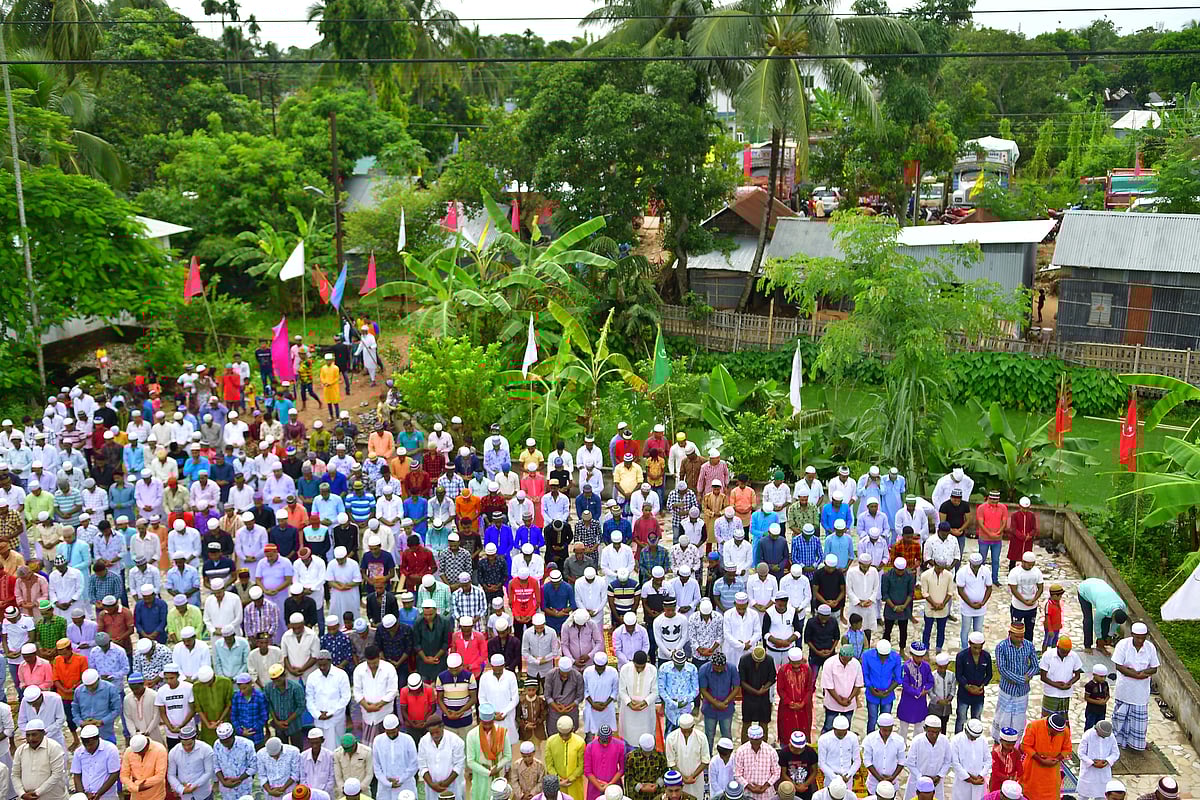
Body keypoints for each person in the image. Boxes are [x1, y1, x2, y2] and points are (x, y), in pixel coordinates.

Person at [1111, 621, 1158, 751]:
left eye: (1143, 638)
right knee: (1120, 718)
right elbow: (1118, 666)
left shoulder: (1150, 647)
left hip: (1140, 692)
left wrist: (1142, 674)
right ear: (1132, 635)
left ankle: (1135, 745)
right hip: (1125, 689)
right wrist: (1135, 675)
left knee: (1139, 721)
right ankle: (1118, 742)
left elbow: (1154, 668)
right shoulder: (1123, 645)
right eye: (1137, 637)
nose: (1140, 640)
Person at [992, 623, 1038, 741]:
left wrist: (1029, 675)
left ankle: (1016, 743)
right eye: (1017, 636)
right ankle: (1000, 741)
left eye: (1021, 636)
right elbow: (1002, 669)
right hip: (1007, 689)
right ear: (1010, 634)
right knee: (1003, 717)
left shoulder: (1029, 646)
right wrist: (1021, 679)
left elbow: (1035, 666)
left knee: (1019, 718)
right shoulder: (1001, 647)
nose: (1019, 639)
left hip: (1022, 692)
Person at [1019, 713, 1070, 800]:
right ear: (1047, 725)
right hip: (1033, 769)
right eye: (1053, 733)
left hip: (1052, 770)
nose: (1055, 735)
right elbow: (1025, 746)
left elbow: (1067, 749)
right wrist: (1041, 760)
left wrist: (1057, 759)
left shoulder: (1065, 730)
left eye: (1058, 733)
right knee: (1030, 794)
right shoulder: (1034, 726)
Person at [467, 706, 513, 800]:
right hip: (480, 777)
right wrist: (488, 772)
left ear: (493, 719)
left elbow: (508, 756)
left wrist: (497, 767)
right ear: (480, 720)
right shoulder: (472, 735)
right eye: (485, 724)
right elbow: (470, 761)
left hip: (498, 774)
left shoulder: (502, 732)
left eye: (490, 723)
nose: (487, 727)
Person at [373, 714, 420, 800]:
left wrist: (400, 779)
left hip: (405, 783)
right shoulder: (378, 741)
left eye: (393, 731)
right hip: (385, 786)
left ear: (398, 727)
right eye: (388, 732)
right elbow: (376, 766)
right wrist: (387, 783)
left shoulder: (408, 740)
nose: (391, 734)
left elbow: (414, 764)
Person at [1076, 579, 1127, 655]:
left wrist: (1110, 635)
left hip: (1099, 588)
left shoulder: (1122, 607)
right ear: (1113, 615)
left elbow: (1115, 623)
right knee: (1088, 620)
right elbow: (1097, 624)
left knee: (1106, 621)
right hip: (1084, 589)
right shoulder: (1102, 610)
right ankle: (1087, 646)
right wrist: (1099, 637)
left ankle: (1100, 646)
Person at [903, 717, 950, 800]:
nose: (934, 735)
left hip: (936, 782)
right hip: (917, 781)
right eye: (931, 732)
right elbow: (910, 762)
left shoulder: (944, 741)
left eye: (936, 732)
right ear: (925, 729)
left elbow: (947, 761)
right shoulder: (917, 741)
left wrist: (939, 776)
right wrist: (920, 777)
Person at [776, 648, 814, 745]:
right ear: (789, 659)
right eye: (794, 663)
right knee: (786, 730)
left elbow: (810, 689)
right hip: (787, 707)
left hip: (804, 707)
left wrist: (803, 703)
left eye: (798, 663)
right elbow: (780, 689)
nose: (796, 666)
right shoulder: (783, 670)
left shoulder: (807, 670)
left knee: (804, 729)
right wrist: (790, 702)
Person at [862, 715, 905, 797]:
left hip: (892, 783)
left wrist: (892, 777)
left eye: (890, 730)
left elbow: (902, 761)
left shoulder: (899, 740)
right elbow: (867, 761)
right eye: (884, 730)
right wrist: (879, 778)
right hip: (874, 783)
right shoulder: (870, 739)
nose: (887, 733)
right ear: (879, 726)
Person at [733, 724, 779, 800]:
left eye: (757, 739)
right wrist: (751, 788)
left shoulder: (771, 751)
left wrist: (765, 786)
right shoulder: (741, 751)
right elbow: (737, 774)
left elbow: (776, 773)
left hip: (767, 794)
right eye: (753, 739)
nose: (755, 742)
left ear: (762, 737)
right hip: (747, 794)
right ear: (748, 737)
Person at [545, 716, 586, 800]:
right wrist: (558, 780)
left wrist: (570, 779)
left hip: (574, 783)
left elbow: (581, 765)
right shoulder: (550, 741)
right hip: (557, 784)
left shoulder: (580, 742)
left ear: (573, 729)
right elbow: (549, 765)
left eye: (567, 735)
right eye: (561, 735)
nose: (564, 737)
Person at [1076, 721, 1119, 800]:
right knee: (1083, 796)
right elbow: (1081, 753)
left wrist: (1107, 761)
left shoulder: (1111, 737)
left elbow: (1115, 753)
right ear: (1097, 730)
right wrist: (1092, 763)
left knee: (1102, 795)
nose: (1103, 737)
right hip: (1088, 771)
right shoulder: (1088, 735)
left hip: (1103, 772)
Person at [582, 725, 624, 800]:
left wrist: (610, 784)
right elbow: (587, 771)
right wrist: (599, 786)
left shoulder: (620, 745)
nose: (605, 744)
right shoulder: (590, 747)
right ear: (598, 737)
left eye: (608, 741)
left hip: (614, 787)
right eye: (603, 741)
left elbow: (622, 769)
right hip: (595, 787)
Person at [121, 734, 169, 800]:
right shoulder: (129, 751)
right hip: (136, 796)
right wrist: (134, 787)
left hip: (155, 796)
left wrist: (137, 783)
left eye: (140, 752)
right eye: (135, 752)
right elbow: (124, 775)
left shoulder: (160, 750)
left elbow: (160, 776)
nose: (137, 754)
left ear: (147, 746)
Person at [949, 719, 988, 800]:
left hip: (979, 781)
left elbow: (988, 760)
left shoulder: (983, 740)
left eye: (976, 737)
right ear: (966, 731)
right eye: (972, 737)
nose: (974, 739)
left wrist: (981, 775)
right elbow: (955, 763)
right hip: (962, 782)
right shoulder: (956, 740)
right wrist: (969, 779)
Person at [816, 716, 859, 788]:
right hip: (831, 779)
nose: (842, 735)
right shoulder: (824, 739)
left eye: (844, 733)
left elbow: (857, 760)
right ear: (834, 729)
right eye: (839, 733)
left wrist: (849, 774)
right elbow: (821, 763)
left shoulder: (853, 737)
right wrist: (835, 777)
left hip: (847, 779)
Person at [626, 734, 667, 800]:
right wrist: (640, 787)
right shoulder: (632, 757)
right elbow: (629, 776)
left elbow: (665, 773)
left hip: (656, 794)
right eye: (645, 752)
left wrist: (657, 785)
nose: (647, 754)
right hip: (638, 795)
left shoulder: (660, 756)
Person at [1083, 664, 1111, 730]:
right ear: (1094, 675)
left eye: (1105, 677)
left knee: (1100, 728)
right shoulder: (1090, 685)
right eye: (1101, 677)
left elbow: (1108, 695)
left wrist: (1104, 701)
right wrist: (1098, 702)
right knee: (1089, 727)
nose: (1103, 679)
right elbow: (1086, 698)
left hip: (1102, 711)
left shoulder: (1105, 684)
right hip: (1092, 711)